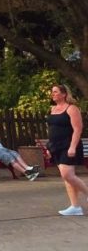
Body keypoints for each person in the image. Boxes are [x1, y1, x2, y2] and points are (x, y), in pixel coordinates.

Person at [45, 84, 88, 216]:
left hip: (68, 145)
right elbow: (51, 130)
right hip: (55, 146)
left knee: (67, 174)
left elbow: (78, 129)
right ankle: (75, 207)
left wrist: (73, 146)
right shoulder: (52, 109)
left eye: (56, 92)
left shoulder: (71, 108)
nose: (53, 94)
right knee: (67, 178)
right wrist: (49, 147)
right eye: (52, 92)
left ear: (64, 94)